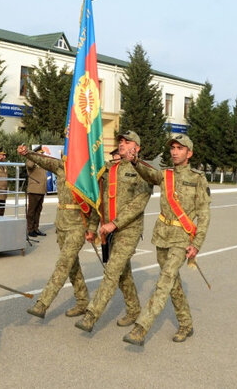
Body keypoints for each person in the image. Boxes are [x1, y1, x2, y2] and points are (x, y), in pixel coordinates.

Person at [122, 133, 211, 346]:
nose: (174, 151)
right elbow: (149, 173)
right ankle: (186, 323)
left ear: (189, 153)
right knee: (172, 283)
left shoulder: (198, 178)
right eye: (172, 148)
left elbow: (204, 215)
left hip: (182, 239)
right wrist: (135, 161)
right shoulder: (166, 174)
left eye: (179, 148)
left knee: (164, 281)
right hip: (162, 236)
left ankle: (141, 327)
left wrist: (196, 244)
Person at [75, 131, 152, 333]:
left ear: (137, 147)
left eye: (127, 142)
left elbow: (138, 204)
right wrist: (93, 227)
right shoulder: (110, 169)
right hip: (108, 230)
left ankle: (91, 315)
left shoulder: (142, 171)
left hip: (128, 229)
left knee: (111, 271)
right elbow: (98, 200)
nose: (122, 144)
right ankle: (134, 310)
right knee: (121, 273)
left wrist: (115, 224)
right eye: (120, 141)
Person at [19, 143, 90, 319]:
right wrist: (27, 153)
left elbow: (96, 203)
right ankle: (82, 302)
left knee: (63, 264)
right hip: (62, 225)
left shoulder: (88, 172)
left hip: (78, 225)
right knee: (72, 266)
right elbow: (43, 160)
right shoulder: (61, 167)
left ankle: (43, 304)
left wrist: (93, 228)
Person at [25, 145, 48, 237]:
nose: (42, 155)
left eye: (42, 153)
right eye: (40, 153)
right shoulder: (31, 161)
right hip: (34, 189)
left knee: (38, 211)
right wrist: (33, 156)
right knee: (31, 211)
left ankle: (36, 228)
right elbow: (29, 166)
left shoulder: (41, 163)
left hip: (41, 189)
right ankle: (30, 229)